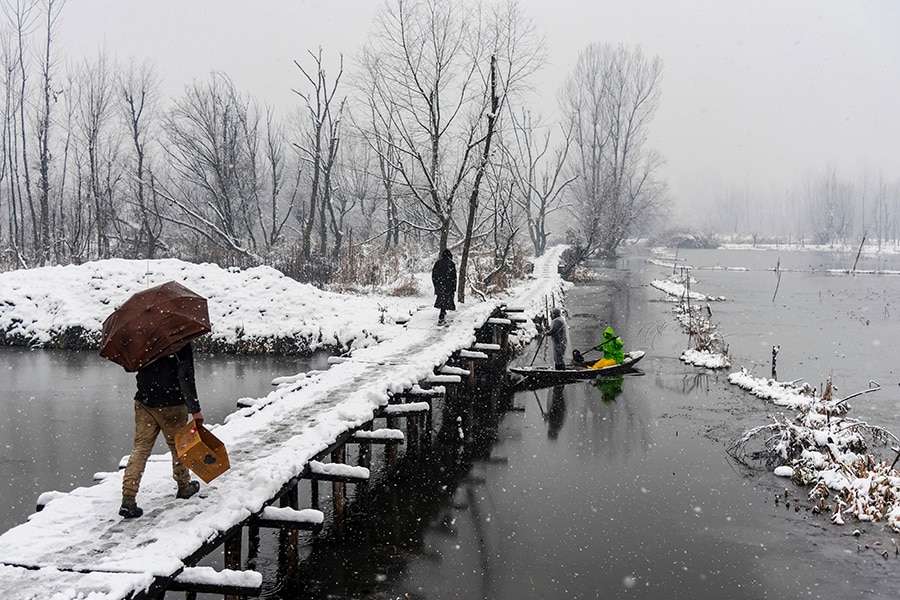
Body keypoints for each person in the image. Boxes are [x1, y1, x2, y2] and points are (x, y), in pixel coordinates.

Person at [119, 342, 204, 519]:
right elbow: (186, 376)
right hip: (172, 403)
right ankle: (184, 486)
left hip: (144, 401)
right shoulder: (179, 338)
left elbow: (130, 366)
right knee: (179, 446)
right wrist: (195, 409)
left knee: (140, 449)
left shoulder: (142, 336)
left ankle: (128, 497)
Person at [431, 248, 457, 325]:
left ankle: (442, 313)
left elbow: (433, 275)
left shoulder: (437, 263)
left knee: (442, 300)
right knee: (446, 300)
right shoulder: (451, 264)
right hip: (448, 286)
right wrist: (453, 287)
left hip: (440, 285)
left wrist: (436, 285)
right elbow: (454, 277)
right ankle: (442, 315)